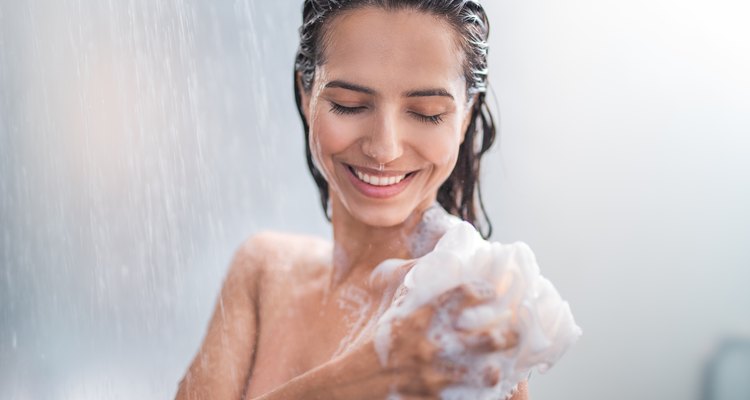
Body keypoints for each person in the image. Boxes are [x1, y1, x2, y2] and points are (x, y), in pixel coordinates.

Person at [176, 1, 529, 399]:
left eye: (427, 113)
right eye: (349, 104)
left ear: (466, 116)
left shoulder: (469, 317)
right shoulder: (263, 270)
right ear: (305, 93)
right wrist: (366, 373)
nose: (384, 148)